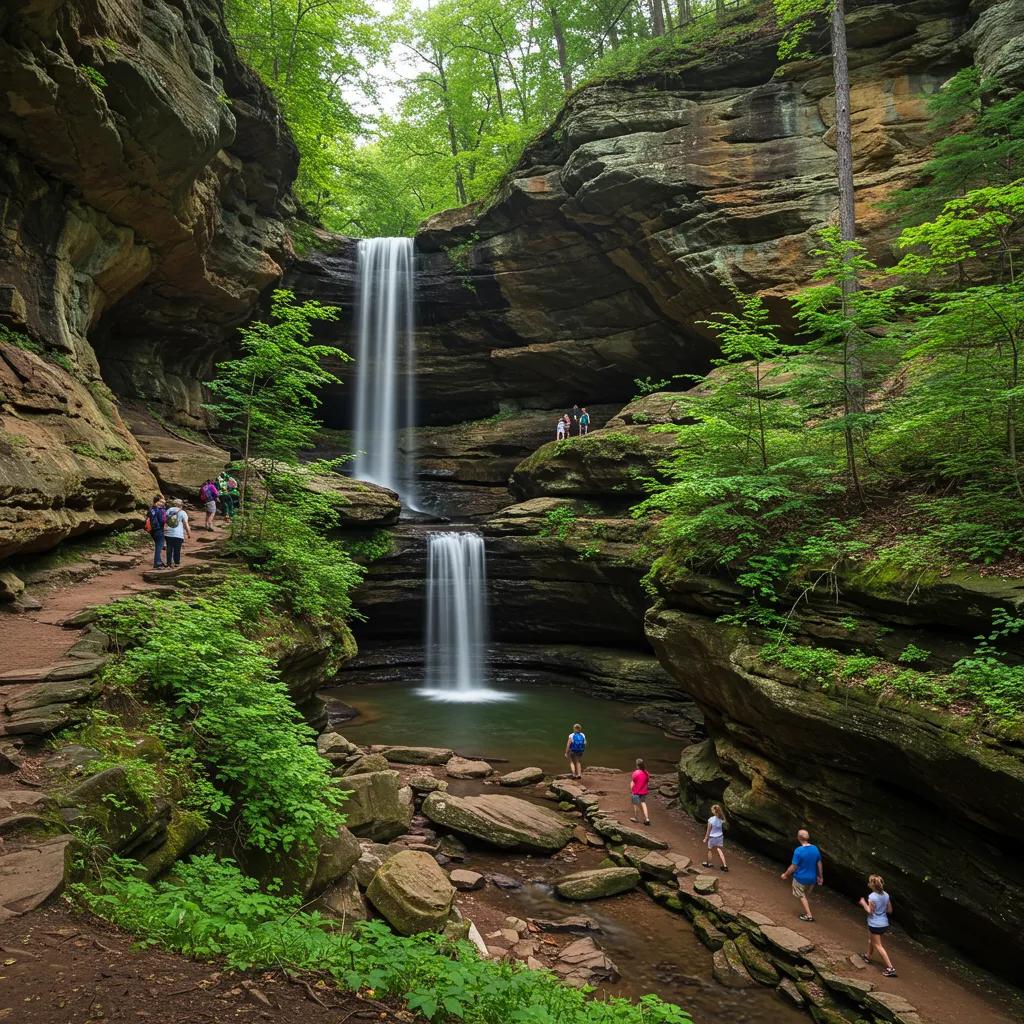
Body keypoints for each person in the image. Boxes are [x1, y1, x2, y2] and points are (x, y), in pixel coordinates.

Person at [780, 828, 823, 922]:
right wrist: (820, 876)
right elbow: (819, 863)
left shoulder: (798, 851)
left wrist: (786, 874)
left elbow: (793, 866)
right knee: (805, 895)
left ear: (798, 838)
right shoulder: (815, 848)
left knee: (801, 895)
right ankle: (807, 908)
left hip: (800, 878)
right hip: (812, 879)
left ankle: (809, 915)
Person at [859, 875, 897, 977]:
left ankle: (890, 968)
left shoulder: (872, 897)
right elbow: (889, 910)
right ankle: (867, 956)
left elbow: (870, 912)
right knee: (872, 940)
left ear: (872, 885)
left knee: (878, 945)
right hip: (884, 923)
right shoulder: (886, 895)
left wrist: (863, 903)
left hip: (875, 924)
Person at [163, 498, 191, 568]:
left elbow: (164, 520)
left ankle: (169, 563)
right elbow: (186, 524)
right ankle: (176, 563)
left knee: (169, 548)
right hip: (178, 534)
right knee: (177, 549)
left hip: (168, 532)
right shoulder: (183, 512)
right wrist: (188, 533)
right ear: (181, 505)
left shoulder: (169, 510)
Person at [702, 803, 728, 870]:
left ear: (714, 811)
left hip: (712, 837)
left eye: (712, 810)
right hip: (720, 836)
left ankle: (709, 863)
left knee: (710, 850)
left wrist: (705, 838)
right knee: (719, 850)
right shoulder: (721, 819)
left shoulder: (711, 819)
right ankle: (725, 866)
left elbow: (708, 831)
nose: (711, 811)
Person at [146, 496, 167, 569]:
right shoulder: (158, 510)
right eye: (161, 502)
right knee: (159, 546)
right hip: (157, 529)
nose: (162, 504)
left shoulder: (151, 509)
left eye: (164, 503)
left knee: (158, 546)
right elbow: (161, 521)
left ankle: (159, 561)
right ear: (156, 501)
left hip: (152, 530)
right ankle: (157, 563)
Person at [630, 758, 651, 825]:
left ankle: (636, 818)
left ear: (637, 765)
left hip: (636, 791)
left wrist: (631, 789)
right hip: (643, 791)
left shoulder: (636, 773)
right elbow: (647, 781)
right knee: (643, 803)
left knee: (636, 804)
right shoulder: (646, 773)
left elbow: (633, 781)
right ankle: (647, 818)